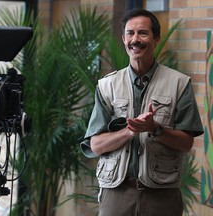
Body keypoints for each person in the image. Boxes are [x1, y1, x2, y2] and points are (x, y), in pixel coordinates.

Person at [80, 8, 204, 216]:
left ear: (156, 39)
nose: (135, 39)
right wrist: (129, 132)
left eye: (143, 33)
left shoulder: (179, 84)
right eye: (130, 33)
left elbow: (186, 143)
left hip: (162, 196)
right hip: (116, 194)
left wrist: (155, 129)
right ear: (123, 39)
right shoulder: (107, 86)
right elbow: (96, 145)